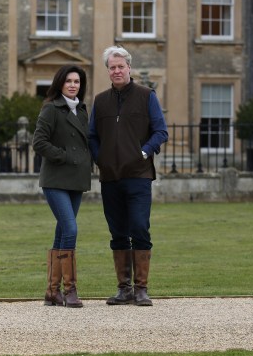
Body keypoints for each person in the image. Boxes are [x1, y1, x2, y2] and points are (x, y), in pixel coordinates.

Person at [88, 46, 168, 307]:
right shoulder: (100, 101)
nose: (117, 71)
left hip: (138, 175)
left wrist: (144, 152)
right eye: (112, 67)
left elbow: (160, 131)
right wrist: (101, 158)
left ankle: (142, 289)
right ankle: (124, 289)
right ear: (108, 71)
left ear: (129, 68)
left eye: (121, 66)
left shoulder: (147, 96)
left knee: (139, 228)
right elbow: (92, 137)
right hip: (110, 177)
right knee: (117, 231)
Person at [32, 64, 92, 308]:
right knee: (70, 229)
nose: (73, 85)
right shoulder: (51, 109)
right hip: (55, 179)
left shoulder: (83, 111)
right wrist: (65, 156)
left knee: (61, 232)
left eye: (77, 81)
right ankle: (70, 290)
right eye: (68, 81)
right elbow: (39, 142)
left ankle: (52, 291)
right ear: (60, 83)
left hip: (76, 179)